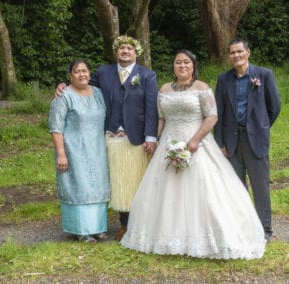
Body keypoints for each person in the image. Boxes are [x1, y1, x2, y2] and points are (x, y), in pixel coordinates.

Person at [120, 50, 266, 259]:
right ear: (173, 66)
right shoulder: (165, 88)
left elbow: (212, 116)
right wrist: (155, 139)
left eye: (186, 62)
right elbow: (161, 118)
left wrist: (195, 139)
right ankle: (166, 236)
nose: (182, 66)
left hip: (196, 143)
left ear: (193, 65)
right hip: (169, 143)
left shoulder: (202, 88)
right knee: (166, 190)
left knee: (204, 189)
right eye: (178, 62)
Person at [56, 36, 158, 242]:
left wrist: (151, 136)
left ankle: (141, 222)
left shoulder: (147, 75)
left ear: (136, 53)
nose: (125, 51)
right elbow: (82, 84)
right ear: (115, 52)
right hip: (111, 137)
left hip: (136, 138)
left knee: (136, 180)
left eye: (130, 48)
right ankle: (123, 224)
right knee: (119, 181)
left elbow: (152, 108)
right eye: (122, 48)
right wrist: (63, 85)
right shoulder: (104, 72)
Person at [214, 38, 281, 241]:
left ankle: (264, 230)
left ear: (248, 52)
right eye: (232, 53)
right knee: (236, 187)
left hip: (256, 140)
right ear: (229, 56)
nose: (236, 55)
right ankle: (242, 228)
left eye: (239, 51)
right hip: (232, 141)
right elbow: (218, 112)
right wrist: (220, 144)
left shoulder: (263, 75)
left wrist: (261, 126)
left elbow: (274, 106)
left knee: (260, 186)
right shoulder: (223, 79)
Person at [49, 59, 110, 243]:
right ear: (70, 76)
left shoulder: (98, 93)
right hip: (74, 150)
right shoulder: (64, 96)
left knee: (97, 187)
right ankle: (82, 231)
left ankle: (98, 228)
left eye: (85, 70)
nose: (82, 74)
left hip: (97, 149)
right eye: (77, 72)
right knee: (79, 186)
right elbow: (56, 127)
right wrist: (61, 153)